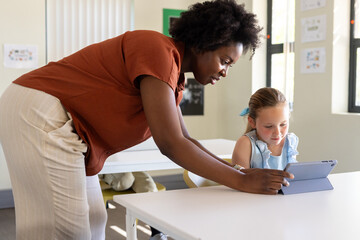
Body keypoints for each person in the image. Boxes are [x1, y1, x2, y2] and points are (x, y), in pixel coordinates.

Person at [0, 0, 293, 239]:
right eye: (225, 61)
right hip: (39, 111)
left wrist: (238, 173)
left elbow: (187, 139)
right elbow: (171, 143)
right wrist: (240, 182)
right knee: (65, 231)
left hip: (59, 123)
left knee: (94, 219)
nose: (225, 71)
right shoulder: (158, 49)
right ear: (206, 42)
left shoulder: (173, 76)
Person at [232, 87, 299, 170]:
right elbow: (240, 181)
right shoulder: (245, 144)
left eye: (283, 124)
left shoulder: (290, 142)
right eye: (269, 126)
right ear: (252, 122)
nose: (277, 133)